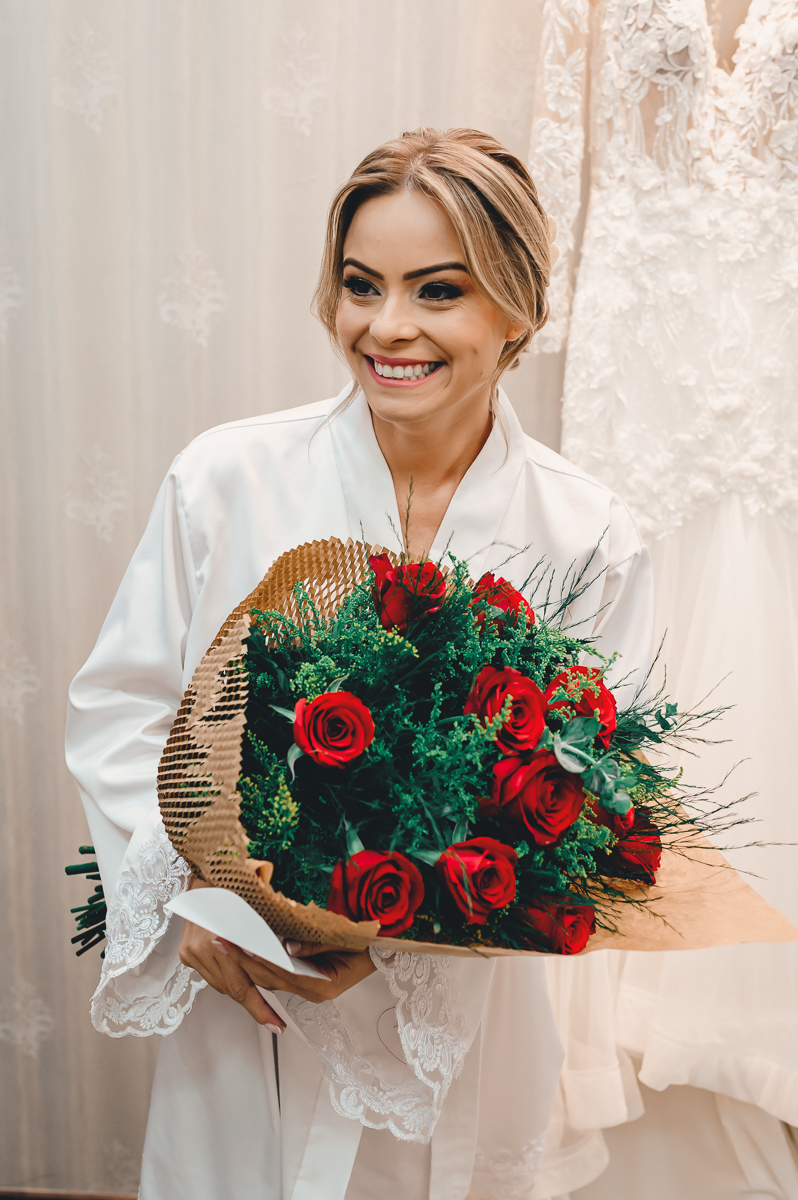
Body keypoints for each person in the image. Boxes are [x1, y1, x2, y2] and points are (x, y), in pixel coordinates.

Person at [65, 127, 653, 1200]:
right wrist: (193, 893)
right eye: (360, 285)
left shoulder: (591, 536)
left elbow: (600, 801)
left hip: (464, 1029)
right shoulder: (225, 480)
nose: (388, 328)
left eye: (439, 291)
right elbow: (121, 710)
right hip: (254, 1009)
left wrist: (444, 910)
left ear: (519, 308)